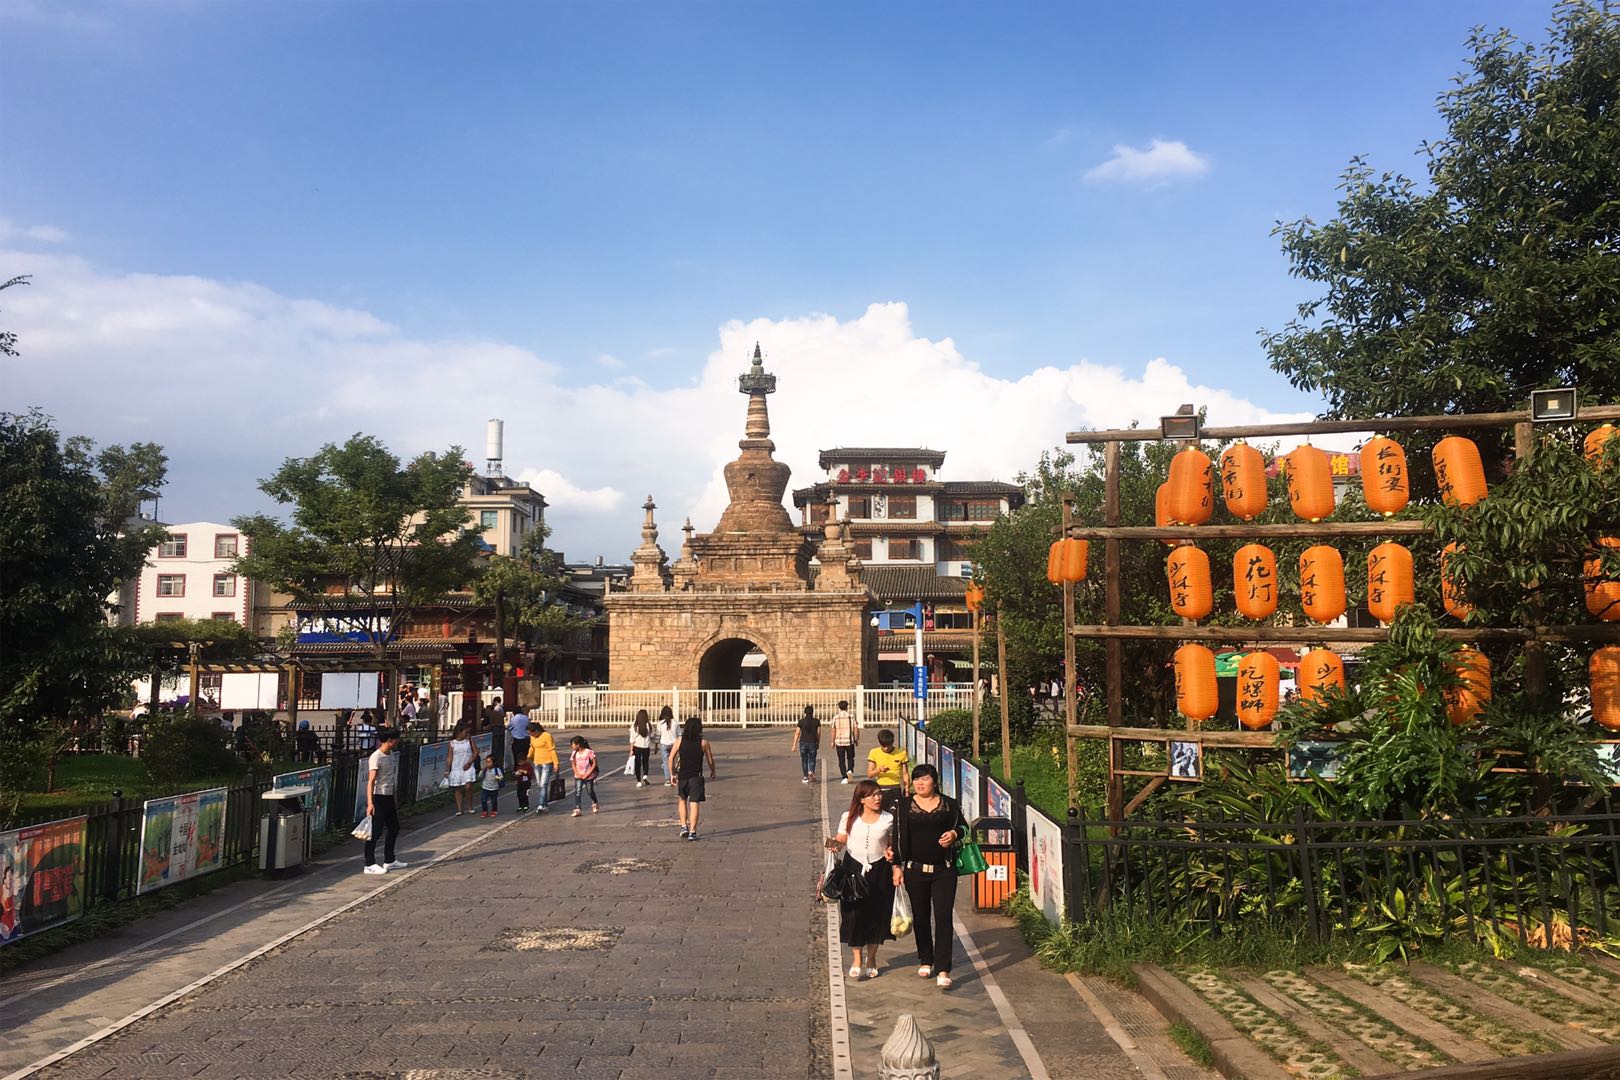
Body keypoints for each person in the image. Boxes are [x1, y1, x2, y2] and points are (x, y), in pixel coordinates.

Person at [894, 764, 968, 989]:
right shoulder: (904, 805)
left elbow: (964, 828)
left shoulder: (949, 804)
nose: (920, 783)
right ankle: (926, 959)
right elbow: (897, 836)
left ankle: (943, 969)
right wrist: (896, 865)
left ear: (935, 782)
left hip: (944, 870)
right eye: (916, 779)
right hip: (915, 870)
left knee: (944, 917)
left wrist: (954, 834)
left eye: (925, 779)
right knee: (921, 916)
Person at [828, 779, 896, 980]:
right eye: (872, 795)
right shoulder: (849, 817)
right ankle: (857, 958)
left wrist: (891, 852)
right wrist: (834, 845)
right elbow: (841, 839)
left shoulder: (888, 819)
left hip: (880, 870)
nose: (877, 798)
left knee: (877, 914)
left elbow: (891, 843)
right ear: (861, 799)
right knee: (853, 914)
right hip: (853, 869)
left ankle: (872, 958)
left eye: (879, 794)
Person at [362, 728, 406, 874]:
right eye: (396, 739)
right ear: (390, 740)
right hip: (378, 796)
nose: (398, 741)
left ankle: (389, 859)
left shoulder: (391, 754)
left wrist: (394, 797)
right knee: (375, 831)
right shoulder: (376, 757)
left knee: (394, 827)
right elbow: (371, 781)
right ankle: (369, 863)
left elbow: (391, 777)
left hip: (388, 795)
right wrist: (370, 803)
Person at [671, 717, 716, 841]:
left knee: (682, 800)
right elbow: (710, 760)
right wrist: (713, 771)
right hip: (696, 776)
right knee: (694, 803)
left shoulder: (679, 741)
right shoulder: (703, 743)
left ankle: (683, 826)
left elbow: (670, 759)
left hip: (683, 776)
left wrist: (672, 774)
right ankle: (693, 832)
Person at [866, 729, 910, 812]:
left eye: (888, 745)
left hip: (895, 787)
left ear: (892, 742)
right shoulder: (874, 752)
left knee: (895, 813)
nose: (886, 748)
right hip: (880, 788)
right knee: (880, 813)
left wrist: (907, 789)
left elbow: (905, 773)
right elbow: (869, 774)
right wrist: (879, 770)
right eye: (883, 746)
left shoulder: (901, 753)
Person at [446, 721, 478, 816]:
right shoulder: (452, 743)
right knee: (458, 788)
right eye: (465, 732)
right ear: (459, 732)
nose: (467, 734)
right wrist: (447, 769)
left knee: (468, 786)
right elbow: (449, 757)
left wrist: (469, 762)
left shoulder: (469, 741)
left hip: (468, 766)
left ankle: (469, 805)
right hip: (456, 767)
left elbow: (476, 752)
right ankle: (459, 808)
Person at [528, 719, 559, 813]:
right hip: (537, 763)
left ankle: (541, 804)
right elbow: (532, 747)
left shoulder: (547, 736)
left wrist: (556, 763)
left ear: (537, 731)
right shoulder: (532, 737)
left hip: (547, 763)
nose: (531, 735)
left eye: (532, 733)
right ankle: (545, 805)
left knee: (543, 784)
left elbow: (552, 750)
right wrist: (528, 757)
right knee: (540, 785)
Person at [569, 735, 600, 816]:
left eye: (573, 744)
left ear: (578, 744)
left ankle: (595, 803)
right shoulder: (574, 753)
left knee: (590, 791)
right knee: (578, 792)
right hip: (578, 776)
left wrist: (588, 773)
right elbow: (573, 764)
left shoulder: (589, 752)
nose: (572, 746)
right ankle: (578, 809)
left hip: (589, 776)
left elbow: (594, 763)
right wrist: (577, 773)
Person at [831, 700, 858, 784]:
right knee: (850, 757)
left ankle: (844, 777)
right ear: (847, 707)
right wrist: (856, 739)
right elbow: (855, 728)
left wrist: (832, 741)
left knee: (841, 760)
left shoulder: (835, 717)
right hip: (849, 740)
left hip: (839, 741)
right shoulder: (851, 717)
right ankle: (850, 769)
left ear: (839, 708)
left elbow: (833, 730)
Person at [792, 705, 821, 783]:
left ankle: (805, 777)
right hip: (813, 742)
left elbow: (797, 733)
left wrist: (794, 745)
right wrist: (818, 742)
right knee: (812, 759)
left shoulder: (801, 721)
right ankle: (811, 771)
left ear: (805, 712)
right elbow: (818, 733)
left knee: (804, 760)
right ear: (812, 712)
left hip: (803, 742)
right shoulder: (817, 721)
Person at [629, 709, 655, 787]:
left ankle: (639, 781)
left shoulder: (635, 725)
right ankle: (645, 775)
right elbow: (652, 736)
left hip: (637, 746)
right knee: (645, 761)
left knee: (637, 763)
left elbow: (632, 739)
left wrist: (631, 750)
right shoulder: (649, 725)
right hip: (646, 746)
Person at [656, 705, 679, 786]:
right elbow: (679, 734)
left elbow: (658, 735)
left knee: (666, 762)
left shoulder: (660, 723)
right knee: (672, 761)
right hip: (674, 744)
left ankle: (668, 779)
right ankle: (673, 776)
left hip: (664, 744)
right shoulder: (675, 722)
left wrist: (656, 745)